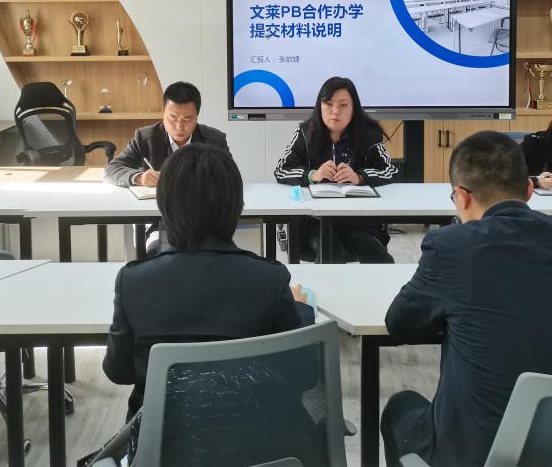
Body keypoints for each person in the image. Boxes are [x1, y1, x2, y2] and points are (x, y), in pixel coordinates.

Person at [381, 130, 552, 467]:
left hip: (488, 455)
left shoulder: (451, 247)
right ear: (528, 190)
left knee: (401, 407)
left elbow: (401, 324)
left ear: (461, 196)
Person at [102, 143, 317, 462]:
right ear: (237, 207)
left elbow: (118, 372)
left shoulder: (134, 281)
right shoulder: (268, 280)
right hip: (259, 452)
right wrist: (301, 309)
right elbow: (304, 375)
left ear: (164, 204)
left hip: (163, 451)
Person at [274, 76, 398, 263]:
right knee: (331, 250)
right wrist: (312, 175)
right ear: (320, 106)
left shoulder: (369, 133)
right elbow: (282, 169)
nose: (335, 111)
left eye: (343, 105)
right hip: (314, 221)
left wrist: (359, 177)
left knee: (373, 251)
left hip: (359, 221)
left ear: (354, 108)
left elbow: (389, 170)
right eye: (328, 104)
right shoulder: (304, 132)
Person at [104, 81, 231, 253]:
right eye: (173, 118)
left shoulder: (214, 140)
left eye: (187, 119)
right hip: (159, 219)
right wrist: (139, 178)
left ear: (197, 116)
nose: (179, 127)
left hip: (203, 218)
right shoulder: (145, 138)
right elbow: (111, 169)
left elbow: (229, 178)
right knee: (157, 252)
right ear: (163, 113)